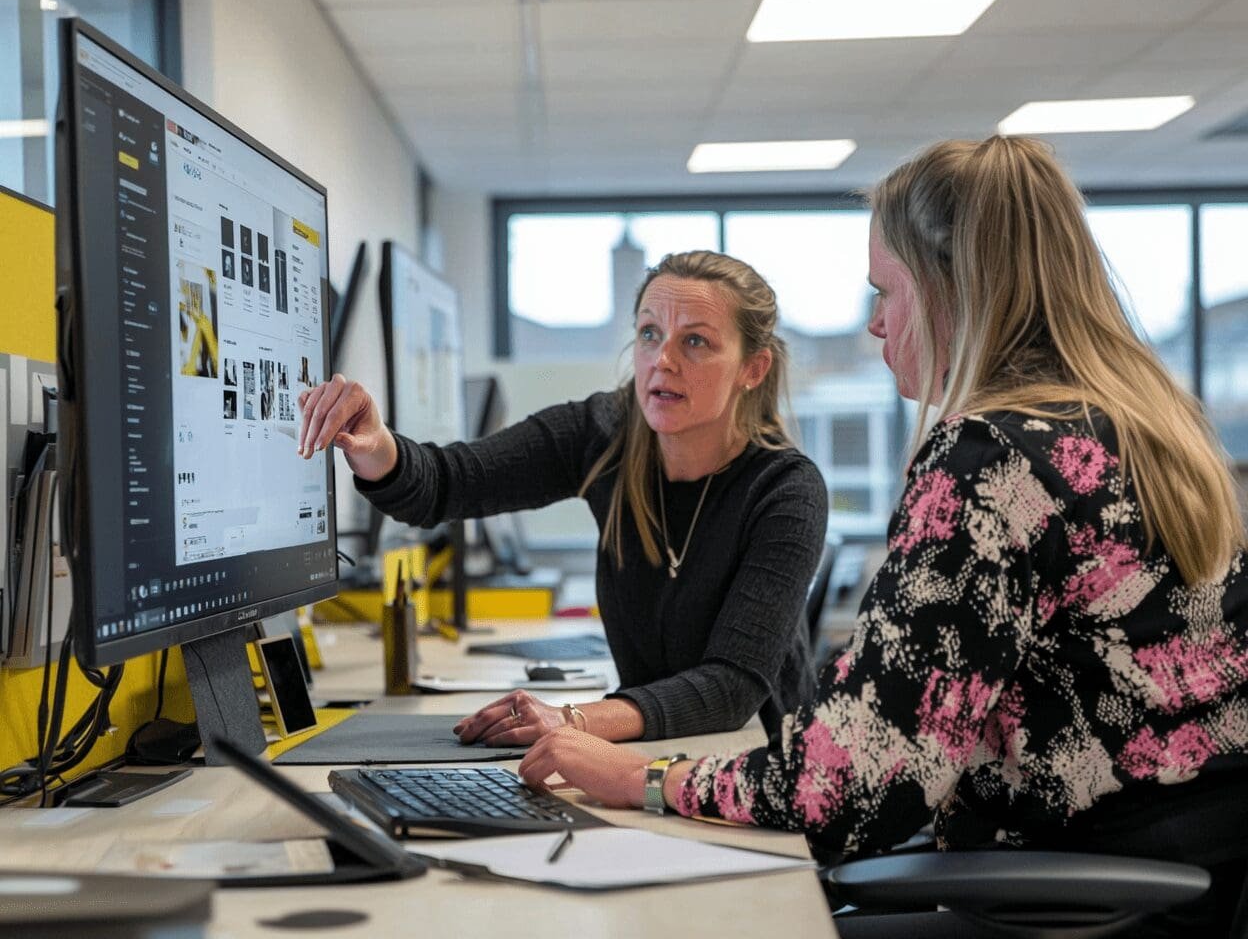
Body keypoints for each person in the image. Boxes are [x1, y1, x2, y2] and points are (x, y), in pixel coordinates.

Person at [514, 137, 1248, 933]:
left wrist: (641, 778)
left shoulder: (990, 457)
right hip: (1171, 877)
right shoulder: (1134, 422)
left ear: (949, 288)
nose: (874, 323)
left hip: (1068, 900)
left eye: (886, 290)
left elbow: (850, 790)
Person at [298, 250, 828, 745]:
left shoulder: (785, 491)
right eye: (649, 333)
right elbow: (450, 482)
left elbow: (730, 689)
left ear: (752, 369)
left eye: (695, 341)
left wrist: (569, 719)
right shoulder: (605, 433)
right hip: (646, 751)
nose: (661, 360)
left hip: (757, 762)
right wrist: (376, 443)